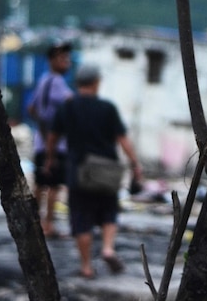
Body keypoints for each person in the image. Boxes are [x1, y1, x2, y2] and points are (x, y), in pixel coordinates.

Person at [45, 63, 143, 278]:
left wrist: (50, 159)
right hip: (107, 169)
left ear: (78, 83)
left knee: (81, 218)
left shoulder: (67, 108)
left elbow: (53, 137)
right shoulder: (107, 108)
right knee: (109, 211)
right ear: (97, 82)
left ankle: (87, 266)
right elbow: (123, 139)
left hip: (78, 170)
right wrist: (135, 164)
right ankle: (108, 248)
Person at [26, 42, 73, 238]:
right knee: (53, 185)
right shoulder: (57, 83)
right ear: (52, 60)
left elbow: (31, 108)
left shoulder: (44, 80)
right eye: (63, 59)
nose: (67, 63)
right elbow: (68, 104)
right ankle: (48, 225)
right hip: (55, 145)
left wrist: (42, 128)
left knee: (40, 184)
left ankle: (34, 223)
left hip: (41, 142)